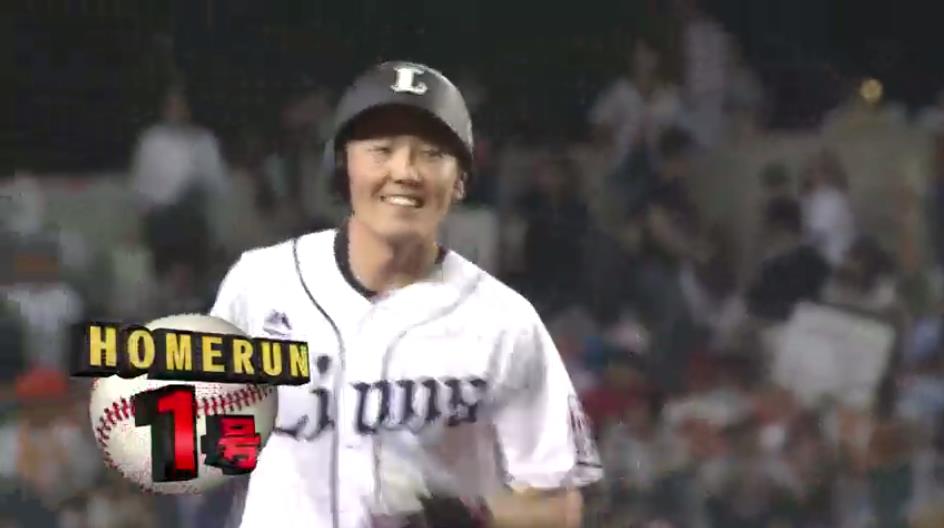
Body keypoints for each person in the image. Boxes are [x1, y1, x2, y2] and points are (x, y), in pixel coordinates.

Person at [211, 61, 601, 528]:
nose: (405, 171)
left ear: (460, 180)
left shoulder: (505, 322)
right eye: (381, 150)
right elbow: (196, 442)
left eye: (431, 154)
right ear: (343, 165)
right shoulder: (259, 283)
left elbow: (560, 504)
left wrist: (473, 515)